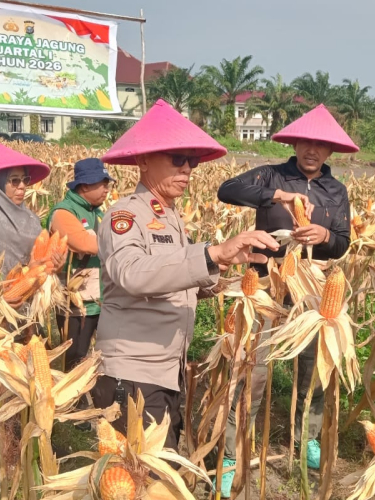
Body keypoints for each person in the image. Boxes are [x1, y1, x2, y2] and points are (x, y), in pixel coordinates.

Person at [91, 99, 281, 448]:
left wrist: (235, 278)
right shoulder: (125, 216)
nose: (187, 169)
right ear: (143, 160)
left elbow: (178, 281)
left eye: (191, 161)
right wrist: (210, 253)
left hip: (166, 369)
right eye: (177, 159)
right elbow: (132, 274)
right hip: (132, 373)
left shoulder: (171, 218)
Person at [215, 103, 357, 494]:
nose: (311, 150)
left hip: (312, 287)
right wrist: (276, 195)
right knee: (252, 367)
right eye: (304, 143)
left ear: (330, 152)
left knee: (313, 367)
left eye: (320, 146)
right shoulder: (271, 174)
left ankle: (305, 438)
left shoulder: (336, 190)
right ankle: (231, 450)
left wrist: (324, 237)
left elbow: (342, 243)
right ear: (294, 143)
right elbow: (226, 189)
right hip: (264, 284)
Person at [49, 158, 114, 371]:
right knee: (75, 360)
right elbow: (85, 244)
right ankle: (72, 403)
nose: (107, 189)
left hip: (100, 301)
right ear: (85, 185)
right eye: (102, 184)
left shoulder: (98, 212)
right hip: (77, 306)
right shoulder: (64, 213)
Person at [0, 142, 52, 274]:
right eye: (15, 181)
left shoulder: (32, 219)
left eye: (25, 180)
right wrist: (27, 271)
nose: (22, 186)